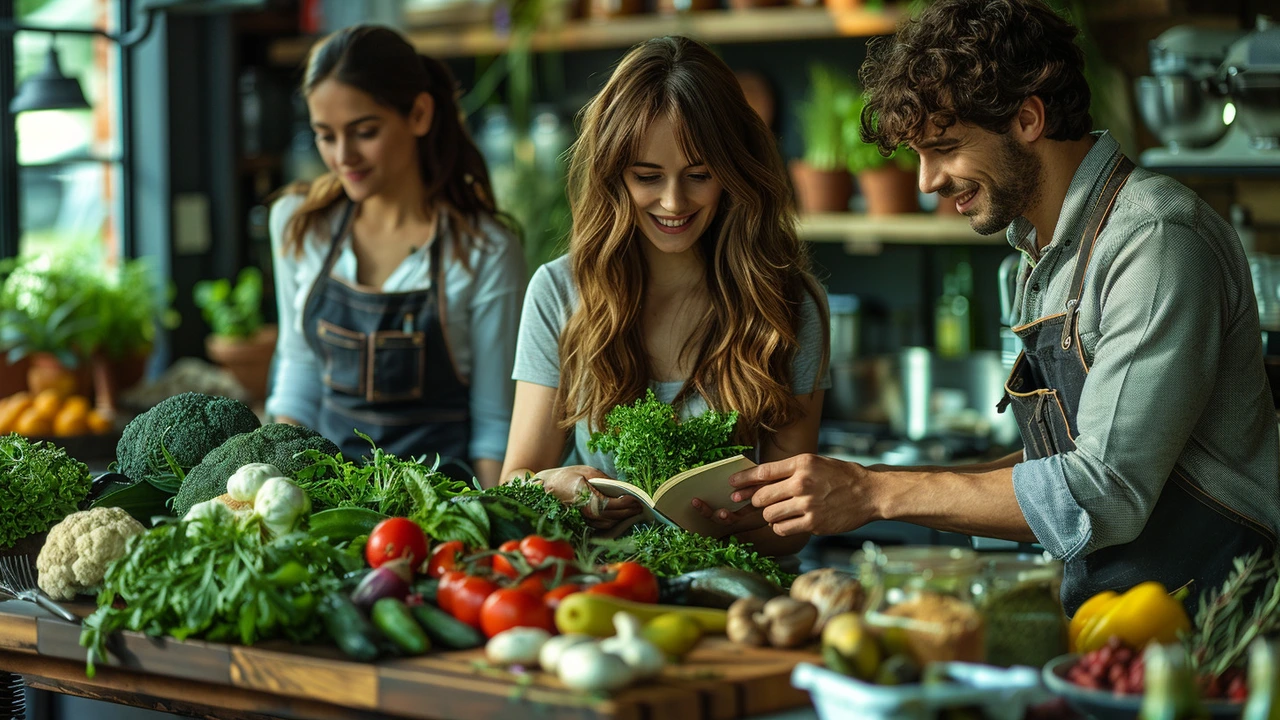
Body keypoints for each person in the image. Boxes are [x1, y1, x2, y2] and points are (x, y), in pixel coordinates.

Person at [730, 0, 1280, 614]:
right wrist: (857, 482)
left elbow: (1105, 491)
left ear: (1027, 119)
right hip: (1120, 619)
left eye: (943, 148)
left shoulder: (1154, 240)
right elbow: (1063, 461)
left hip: (1218, 624)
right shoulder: (1044, 250)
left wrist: (873, 492)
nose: (926, 182)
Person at [498, 36, 831, 556]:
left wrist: (738, 524)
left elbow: (792, 527)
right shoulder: (558, 291)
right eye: (647, 177)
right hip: (598, 593)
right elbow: (511, 483)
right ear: (613, 175)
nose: (673, 202)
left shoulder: (787, 303)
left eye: (699, 175)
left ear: (734, 170)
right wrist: (551, 489)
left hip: (733, 600)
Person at [266, 25, 526, 488]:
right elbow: (300, 370)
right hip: (326, 504)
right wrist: (274, 489)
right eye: (325, 136)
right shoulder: (298, 224)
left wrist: (494, 526)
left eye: (364, 131)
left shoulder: (484, 250)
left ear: (420, 114)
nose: (343, 156)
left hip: (441, 509)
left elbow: (493, 426)